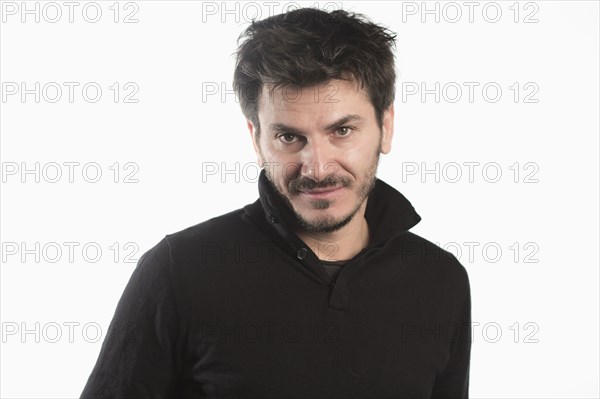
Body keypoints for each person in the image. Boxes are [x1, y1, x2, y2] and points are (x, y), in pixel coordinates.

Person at [81, 7, 471, 398]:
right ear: (256, 138)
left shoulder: (440, 279)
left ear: (386, 127)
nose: (317, 168)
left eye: (342, 130)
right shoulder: (179, 271)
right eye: (289, 137)